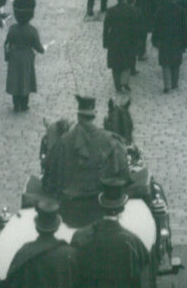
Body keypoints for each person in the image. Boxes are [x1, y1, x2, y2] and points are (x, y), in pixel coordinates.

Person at [42, 95, 130, 228]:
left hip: (68, 214)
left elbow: (49, 181)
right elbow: (124, 178)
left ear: (78, 116)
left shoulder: (62, 143)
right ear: (94, 116)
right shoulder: (111, 141)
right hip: (101, 211)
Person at [71, 178, 149, 288]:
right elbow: (140, 274)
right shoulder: (132, 241)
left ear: (101, 206)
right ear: (122, 208)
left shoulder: (80, 236)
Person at [1, 198, 81, 288]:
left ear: (37, 226)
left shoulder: (24, 252)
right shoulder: (70, 254)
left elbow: (11, 286)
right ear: (56, 227)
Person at [5, 0, 45, 112]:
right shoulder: (32, 31)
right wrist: (42, 49)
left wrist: (7, 57)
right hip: (27, 57)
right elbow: (38, 46)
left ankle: (16, 103)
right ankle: (24, 103)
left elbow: (7, 43)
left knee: (15, 79)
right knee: (25, 79)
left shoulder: (12, 29)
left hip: (14, 56)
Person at [152, 0, 187, 93]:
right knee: (176, 62)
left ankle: (167, 85)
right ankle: (174, 83)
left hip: (164, 39)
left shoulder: (161, 10)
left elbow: (156, 26)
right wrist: (185, 43)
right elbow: (184, 28)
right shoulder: (181, 11)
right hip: (177, 40)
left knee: (165, 63)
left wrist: (154, 39)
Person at [103, 0, 139, 92]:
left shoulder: (111, 10)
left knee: (115, 64)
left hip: (114, 40)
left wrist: (105, 42)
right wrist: (136, 41)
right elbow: (135, 27)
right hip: (128, 40)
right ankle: (125, 82)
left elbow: (106, 28)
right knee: (127, 63)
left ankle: (118, 85)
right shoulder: (132, 10)